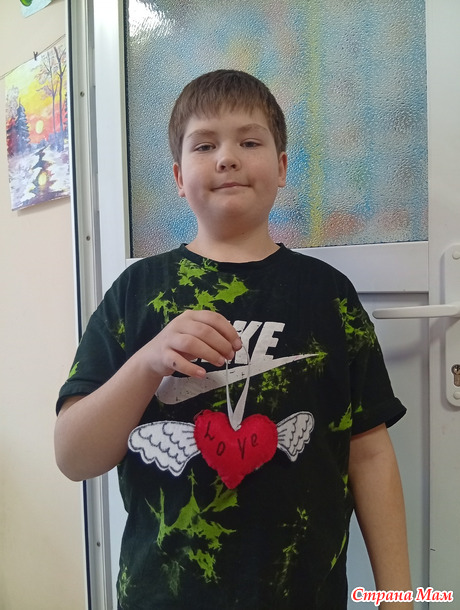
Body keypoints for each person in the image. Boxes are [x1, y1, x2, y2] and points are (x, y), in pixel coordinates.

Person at [55, 69, 413, 609]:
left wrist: (400, 596)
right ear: (179, 177)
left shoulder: (329, 295)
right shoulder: (136, 292)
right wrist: (147, 363)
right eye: (205, 145)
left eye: (249, 142)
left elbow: (370, 455)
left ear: (282, 167)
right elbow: (73, 457)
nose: (227, 157)